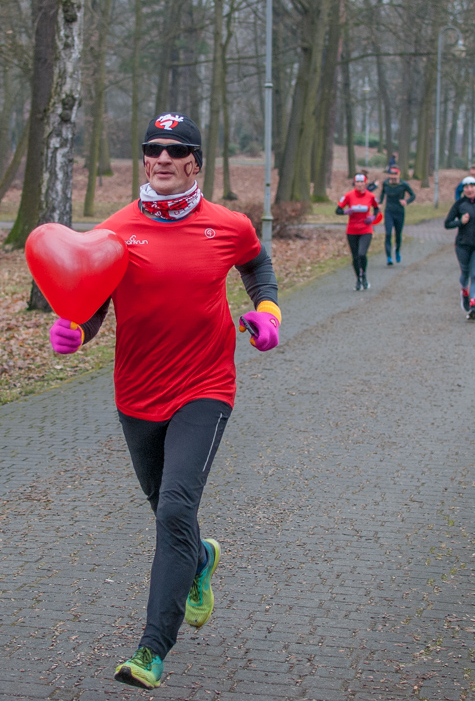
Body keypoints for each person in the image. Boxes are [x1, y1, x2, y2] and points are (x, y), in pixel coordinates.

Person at [48, 112, 280, 689]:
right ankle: (199, 559)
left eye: (176, 150)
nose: (163, 158)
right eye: (153, 148)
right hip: (137, 392)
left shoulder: (228, 225)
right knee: (167, 511)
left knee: (175, 509)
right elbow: (93, 305)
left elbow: (257, 265)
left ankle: (152, 650)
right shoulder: (114, 231)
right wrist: (77, 329)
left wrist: (267, 312)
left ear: (196, 161)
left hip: (205, 386)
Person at [445, 175, 475, 320]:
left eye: (472, 187)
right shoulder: (459, 205)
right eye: (466, 187)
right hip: (463, 245)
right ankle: (464, 292)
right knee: (465, 273)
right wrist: (460, 222)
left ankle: (473, 306)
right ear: (463, 190)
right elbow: (447, 223)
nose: (469, 189)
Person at [336, 173, 383, 290]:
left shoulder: (371, 196)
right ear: (354, 183)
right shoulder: (348, 195)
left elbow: (376, 208)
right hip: (352, 230)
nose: (360, 184)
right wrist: (345, 212)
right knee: (355, 256)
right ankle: (358, 278)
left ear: (365, 183)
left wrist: (373, 217)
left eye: (362, 182)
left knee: (362, 254)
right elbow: (337, 210)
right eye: (357, 182)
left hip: (366, 229)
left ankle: (364, 275)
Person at [377, 166, 415, 265]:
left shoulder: (403, 184)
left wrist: (406, 201)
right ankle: (389, 257)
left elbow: (413, 195)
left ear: (398, 174)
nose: (393, 176)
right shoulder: (386, 183)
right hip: (389, 211)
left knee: (398, 234)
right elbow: (382, 193)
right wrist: (380, 203)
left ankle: (397, 250)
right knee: (388, 234)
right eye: (391, 174)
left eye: (395, 174)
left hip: (399, 212)